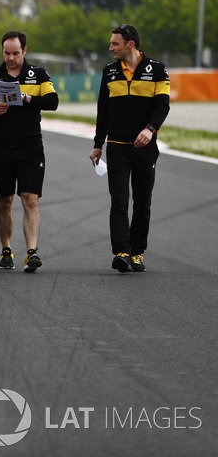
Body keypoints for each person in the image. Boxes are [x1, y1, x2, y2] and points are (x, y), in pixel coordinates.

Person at [89, 24, 170, 273]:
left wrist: (150, 129)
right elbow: (103, 110)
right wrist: (97, 144)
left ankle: (137, 252)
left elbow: (163, 105)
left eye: (115, 43)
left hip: (145, 148)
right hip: (116, 147)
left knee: (143, 202)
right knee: (119, 200)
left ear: (130, 44)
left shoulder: (157, 69)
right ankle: (122, 251)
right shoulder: (109, 71)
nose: (110, 47)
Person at [0, 30, 59, 272]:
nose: (10, 58)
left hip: (31, 147)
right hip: (1, 148)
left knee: (31, 201)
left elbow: (53, 102)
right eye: (6, 53)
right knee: (5, 201)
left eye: (15, 53)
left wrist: (28, 99)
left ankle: (32, 252)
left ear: (24, 51)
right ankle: (6, 249)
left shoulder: (38, 74)